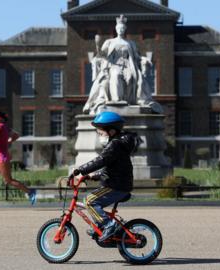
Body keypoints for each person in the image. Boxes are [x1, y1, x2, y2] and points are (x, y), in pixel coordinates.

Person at [71, 111, 141, 241]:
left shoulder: (115, 144)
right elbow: (110, 168)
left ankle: (109, 225)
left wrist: (80, 170)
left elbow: (101, 160)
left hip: (117, 185)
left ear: (112, 130)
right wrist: (93, 176)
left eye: (100, 129)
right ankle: (102, 226)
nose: (98, 132)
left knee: (89, 201)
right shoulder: (116, 144)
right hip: (118, 183)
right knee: (93, 201)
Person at [83, 14, 162, 114]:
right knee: (116, 75)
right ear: (116, 29)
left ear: (125, 30)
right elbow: (102, 55)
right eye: (119, 28)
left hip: (128, 65)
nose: (121, 30)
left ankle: (137, 100)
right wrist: (98, 45)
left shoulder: (130, 43)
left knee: (134, 78)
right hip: (113, 65)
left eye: (123, 28)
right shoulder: (109, 42)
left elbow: (136, 57)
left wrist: (144, 59)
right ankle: (117, 101)